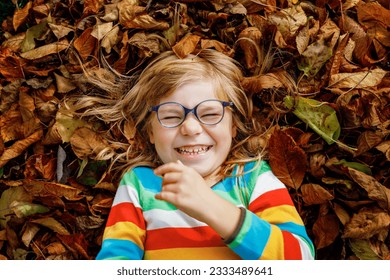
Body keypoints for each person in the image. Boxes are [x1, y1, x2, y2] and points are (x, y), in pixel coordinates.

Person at [69, 49, 315, 260]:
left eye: (209, 114)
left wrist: (212, 208)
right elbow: (117, 260)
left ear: (233, 126)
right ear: (150, 132)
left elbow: (301, 258)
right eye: (171, 116)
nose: (190, 128)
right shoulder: (140, 184)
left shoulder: (251, 177)